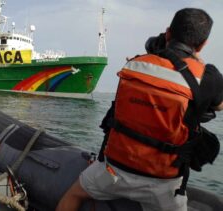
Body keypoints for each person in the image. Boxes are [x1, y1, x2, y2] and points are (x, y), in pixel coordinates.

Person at [56, 8, 223, 211]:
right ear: (203, 44)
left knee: (73, 194)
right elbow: (218, 105)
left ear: (168, 33)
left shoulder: (133, 65)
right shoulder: (207, 77)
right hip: (163, 182)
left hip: (113, 171)